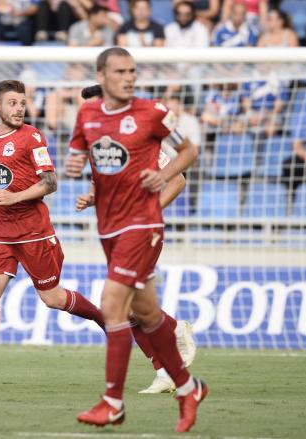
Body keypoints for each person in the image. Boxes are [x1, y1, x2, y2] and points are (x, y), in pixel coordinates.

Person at [0, 79, 105, 401]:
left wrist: (14, 199)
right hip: (0, 232)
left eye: (22, 103)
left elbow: (50, 183)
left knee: (52, 298)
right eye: (12, 103)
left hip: (34, 232)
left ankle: (104, 319)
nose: (19, 108)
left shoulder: (32, 137)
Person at [65, 47, 206, 432]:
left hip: (142, 226)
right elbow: (83, 153)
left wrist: (164, 174)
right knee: (143, 314)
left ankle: (112, 402)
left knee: (113, 306)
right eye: (120, 71)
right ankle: (188, 387)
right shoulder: (88, 115)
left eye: (132, 71)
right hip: (109, 229)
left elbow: (188, 151)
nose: (129, 77)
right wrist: (77, 168)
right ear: (102, 74)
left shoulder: (153, 113)